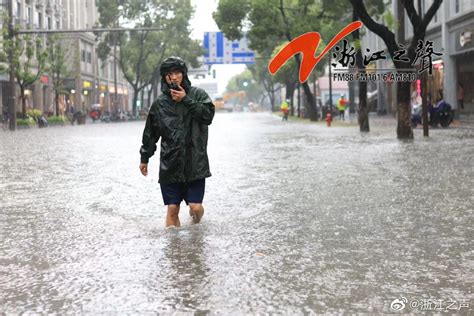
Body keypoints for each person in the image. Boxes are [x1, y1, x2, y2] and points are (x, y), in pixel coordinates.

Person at [139, 56, 215, 228]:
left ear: (184, 74)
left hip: (195, 163)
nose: (173, 77)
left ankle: (196, 226)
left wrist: (185, 99)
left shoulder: (198, 95)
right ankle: (174, 251)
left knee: (196, 208)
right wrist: (145, 158)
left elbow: (207, 117)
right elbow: (150, 133)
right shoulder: (159, 104)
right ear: (164, 77)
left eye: (177, 73)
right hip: (170, 164)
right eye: (169, 74)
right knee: (172, 209)